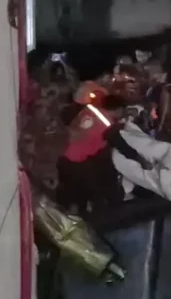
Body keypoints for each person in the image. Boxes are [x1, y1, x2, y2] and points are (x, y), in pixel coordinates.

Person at [56, 82, 150, 214]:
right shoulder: (106, 123)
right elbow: (122, 145)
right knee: (96, 189)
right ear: (118, 110)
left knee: (73, 199)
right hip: (76, 163)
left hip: (63, 157)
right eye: (122, 112)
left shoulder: (89, 110)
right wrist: (141, 160)